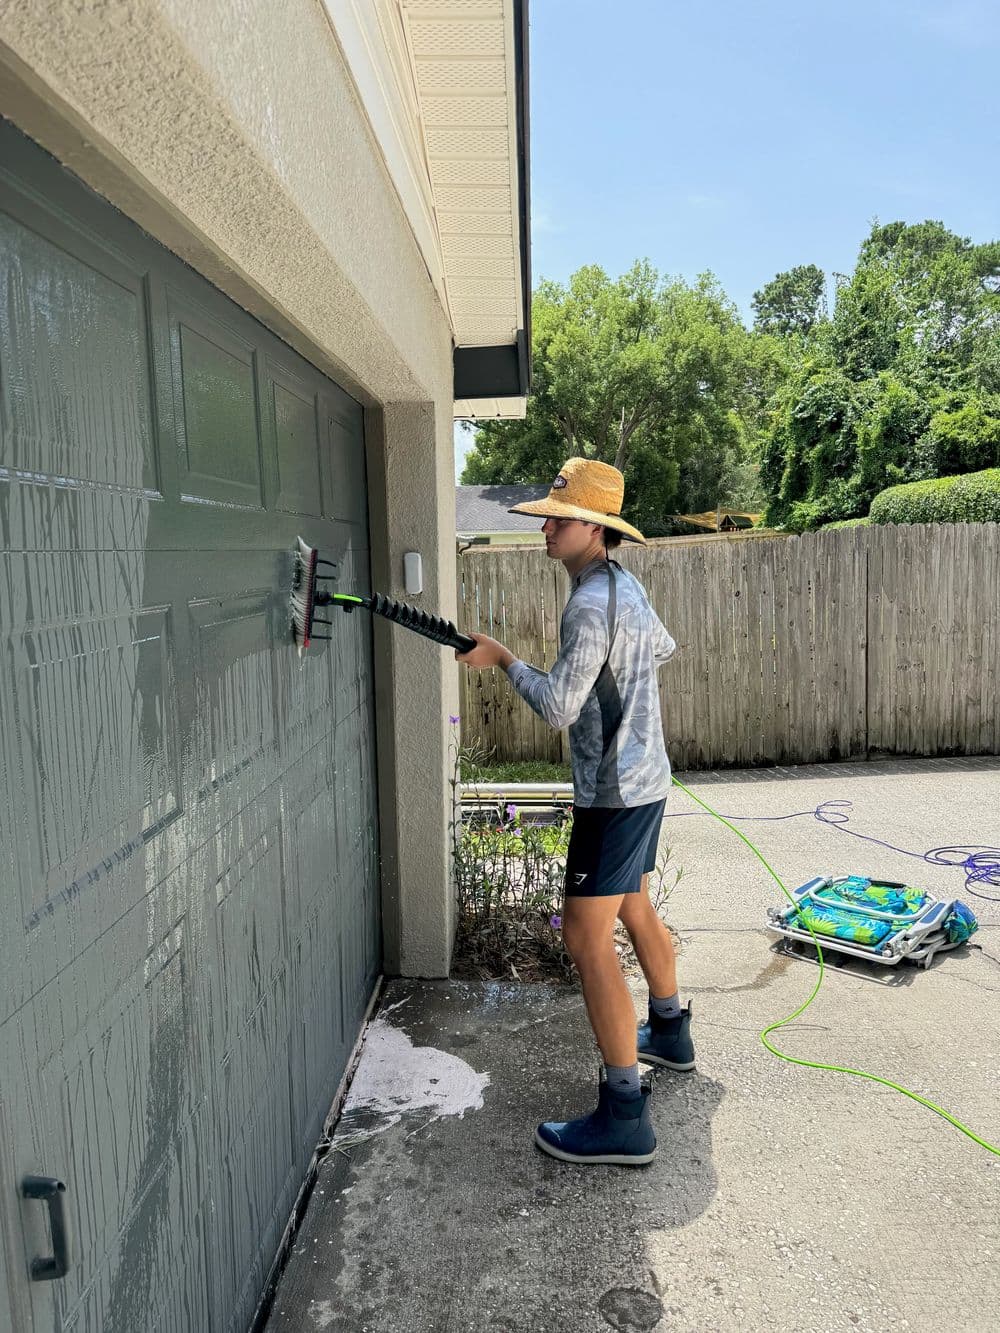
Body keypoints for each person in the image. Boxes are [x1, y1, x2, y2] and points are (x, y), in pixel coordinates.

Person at [456, 457, 695, 1167]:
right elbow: (662, 647)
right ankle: (670, 1032)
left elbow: (558, 705)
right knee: (634, 908)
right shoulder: (624, 585)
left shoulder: (590, 601)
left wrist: (501, 658)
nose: (547, 526)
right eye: (548, 515)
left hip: (615, 794)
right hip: (647, 778)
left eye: (559, 517)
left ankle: (625, 1114)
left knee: (584, 939)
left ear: (596, 528)